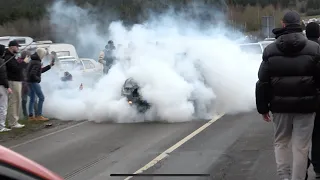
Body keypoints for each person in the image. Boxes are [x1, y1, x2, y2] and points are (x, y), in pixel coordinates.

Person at [255, 11, 320, 180]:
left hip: (280, 107)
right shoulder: (314, 49)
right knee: (301, 146)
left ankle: (284, 176)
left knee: (281, 142)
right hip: (307, 107)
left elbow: (262, 82)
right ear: (300, 24)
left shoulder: (270, 50)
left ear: (283, 25)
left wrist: (263, 108)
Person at [305, 21, 320, 179]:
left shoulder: (302, 49)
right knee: (317, 136)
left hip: (303, 100)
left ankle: (303, 164)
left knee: (301, 137)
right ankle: (318, 167)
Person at [26, 48, 54, 121]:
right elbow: (33, 73)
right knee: (41, 97)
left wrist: (49, 66)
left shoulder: (33, 60)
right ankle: (39, 115)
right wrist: (38, 79)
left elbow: (39, 71)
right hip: (33, 82)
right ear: (41, 54)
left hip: (29, 81)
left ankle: (31, 116)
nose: (44, 56)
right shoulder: (37, 62)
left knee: (32, 99)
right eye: (43, 55)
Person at [5, 40, 27, 129]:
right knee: (14, 101)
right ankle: (13, 122)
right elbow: (16, 69)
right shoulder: (8, 57)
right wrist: (24, 62)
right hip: (13, 81)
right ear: (12, 47)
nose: (18, 48)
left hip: (16, 81)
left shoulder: (12, 56)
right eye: (17, 47)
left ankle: (14, 121)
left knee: (16, 100)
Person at [0, 44, 12, 132]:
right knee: (3, 106)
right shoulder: (1, 61)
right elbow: (3, 75)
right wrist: (7, 87)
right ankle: (1, 126)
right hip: (1, 87)